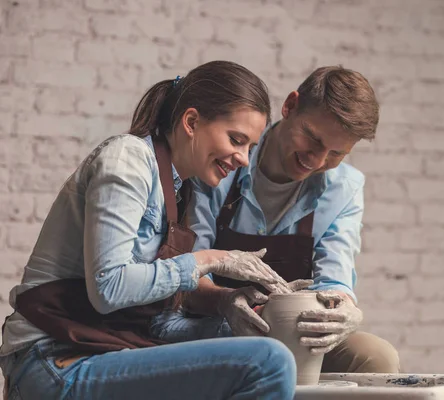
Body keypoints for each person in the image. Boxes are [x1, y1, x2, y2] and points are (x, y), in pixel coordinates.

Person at [0, 61, 299, 400]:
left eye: (250, 147)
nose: (244, 158)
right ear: (191, 122)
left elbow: (151, 323)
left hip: (107, 344)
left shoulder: (179, 189)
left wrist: (231, 307)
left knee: (263, 336)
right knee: (267, 362)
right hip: (53, 357)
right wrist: (210, 260)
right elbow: (108, 290)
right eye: (236, 139)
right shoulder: (128, 161)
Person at [162, 66, 401, 373]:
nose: (316, 160)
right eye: (312, 139)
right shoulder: (221, 160)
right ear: (290, 106)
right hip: (217, 322)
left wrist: (346, 308)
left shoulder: (345, 188)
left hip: (296, 329)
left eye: (335, 154)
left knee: (376, 357)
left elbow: (334, 278)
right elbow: (189, 272)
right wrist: (224, 302)